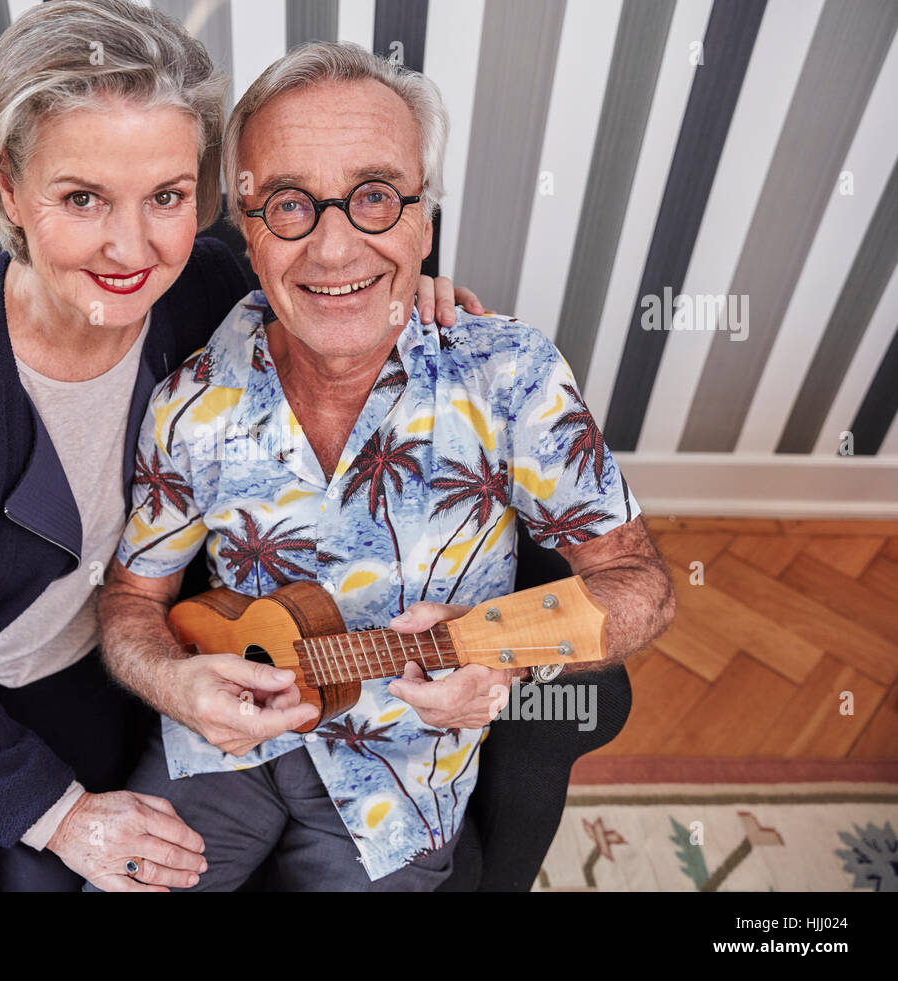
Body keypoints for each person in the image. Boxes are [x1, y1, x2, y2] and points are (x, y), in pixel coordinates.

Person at [0, 0, 483, 892]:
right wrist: (65, 814)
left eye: (167, 196)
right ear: (9, 188)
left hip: (79, 664)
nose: (132, 246)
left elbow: (326, 295)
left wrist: (411, 301)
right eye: (82, 197)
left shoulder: (208, 289)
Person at [96, 41, 677, 891]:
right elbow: (131, 598)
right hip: (222, 755)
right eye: (291, 204)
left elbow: (642, 583)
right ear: (248, 230)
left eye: (374, 197)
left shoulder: (509, 376)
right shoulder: (189, 403)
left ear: (422, 221)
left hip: (398, 785)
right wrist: (176, 684)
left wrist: (509, 660)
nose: (335, 251)